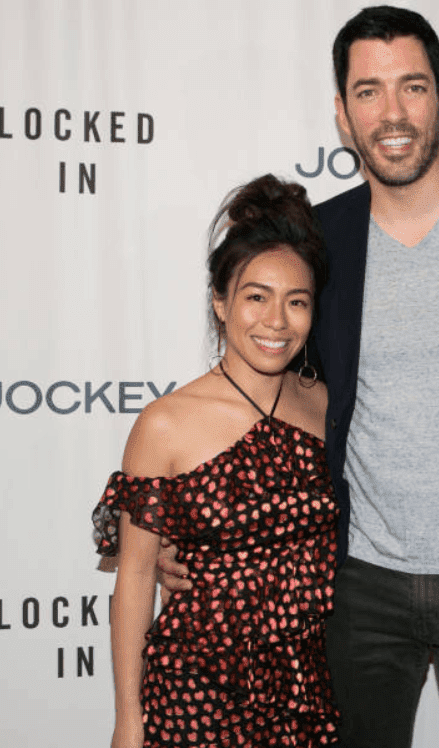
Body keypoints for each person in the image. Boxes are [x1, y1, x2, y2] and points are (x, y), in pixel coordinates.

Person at [161, 6, 439, 747]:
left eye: (413, 86)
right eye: (369, 91)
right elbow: (271, 396)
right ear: (342, 114)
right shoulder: (323, 239)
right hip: (353, 586)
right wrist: (196, 531)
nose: (393, 112)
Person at [92, 174, 340, 748]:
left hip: (304, 686)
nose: (277, 321)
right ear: (221, 301)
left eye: (296, 301)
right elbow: (133, 579)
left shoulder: (326, 405)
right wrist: (129, 720)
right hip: (195, 688)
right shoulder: (165, 423)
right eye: (256, 296)